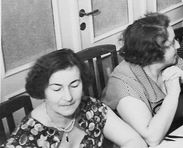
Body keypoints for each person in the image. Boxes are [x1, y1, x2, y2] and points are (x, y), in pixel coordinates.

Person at [102, 13, 183, 146]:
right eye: (171, 43)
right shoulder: (123, 83)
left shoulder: (173, 60)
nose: (178, 46)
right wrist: (172, 94)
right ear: (152, 54)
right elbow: (152, 138)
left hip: (178, 135)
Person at [4, 49, 147, 148]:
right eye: (56, 88)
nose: (68, 97)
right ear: (43, 91)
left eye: (74, 84)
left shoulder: (91, 108)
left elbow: (134, 141)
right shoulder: (26, 139)